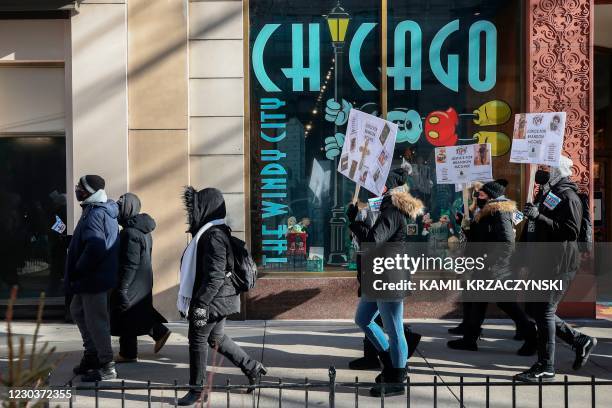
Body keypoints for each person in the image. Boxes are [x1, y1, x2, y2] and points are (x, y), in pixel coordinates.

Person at [177, 187, 267, 406]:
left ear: (206, 208)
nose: (193, 212)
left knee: (197, 340)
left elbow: (215, 277)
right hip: (221, 298)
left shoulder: (213, 236)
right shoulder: (214, 231)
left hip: (213, 300)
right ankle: (253, 368)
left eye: (198, 206)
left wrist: (200, 304)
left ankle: (197, 390)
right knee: (216, 338)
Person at [515, 156, 597, 382]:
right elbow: (535, 228)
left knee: (544, 311)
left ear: (558, 171)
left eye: (547, 168)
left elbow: (569, 231)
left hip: (558, 264)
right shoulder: (547, 194)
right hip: (542, 262)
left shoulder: (568, 196)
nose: (543, 171)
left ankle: (546, 366)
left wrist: (538, 216)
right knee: (533, 309)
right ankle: (579, 340)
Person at [347, 169, 425, 397]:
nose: (372, 189)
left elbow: (373, 239)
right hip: (379, 275)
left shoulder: (392, 209)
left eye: (376, 185)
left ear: (386, 189)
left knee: (394, 328)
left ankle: (397, 378)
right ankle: (393, 362)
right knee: (363, 319)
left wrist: (354, 222)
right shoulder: (387, 207)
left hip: (389, 276)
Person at [447, 179, 537, 355]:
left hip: (494, 269)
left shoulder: (500, 212)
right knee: (477, 303)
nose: (477, 196)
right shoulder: (487, 211)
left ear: (491, 196)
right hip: (484, 267)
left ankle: (532, 336)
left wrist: (489, 261)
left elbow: (506, 242)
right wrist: (463, 225)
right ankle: (469, 340)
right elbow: (480, 236)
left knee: (506, 304)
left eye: (481, 194)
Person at [66, 175, 119, 382]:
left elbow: (96, 246)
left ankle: (107, 366)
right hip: (91, 278)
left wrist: (79, 268)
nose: (77, 189)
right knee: (77, 311)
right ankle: (92, 355)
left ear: (89, 191)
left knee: (96, 322)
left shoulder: (97, 213)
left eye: (80, 186)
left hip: (93, 279)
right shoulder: (93, 209)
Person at [110, 193, 171, 363]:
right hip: (142, 279)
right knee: (135, 312)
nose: (117, 210)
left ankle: (129, 353)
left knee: (126, 312)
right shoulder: (141, 229)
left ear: (127, 209)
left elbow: (130, 263)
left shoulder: (130, 233)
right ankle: (156, 334)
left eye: (120, 207)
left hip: (133, 279)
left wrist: (123, 287)